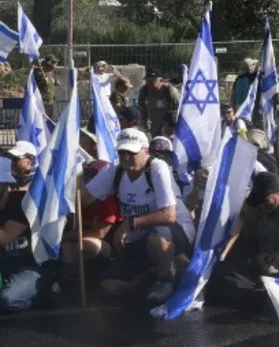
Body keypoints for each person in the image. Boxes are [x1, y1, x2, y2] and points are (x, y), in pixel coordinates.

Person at [81, 128, 195, 304]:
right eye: (122, 152)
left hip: (175, 231)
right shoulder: (115, 169)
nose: (126, 157)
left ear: (145, 151)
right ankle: (160, 269)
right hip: (138, 237)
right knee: (110, 285)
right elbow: (86, 198)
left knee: (157, 238)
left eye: (131, 152)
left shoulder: (157, 167)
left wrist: (129, 224)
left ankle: (164, 280)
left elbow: (168, 215)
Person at [0, 156, 59, 310]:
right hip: (6, 263)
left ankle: (43, 291)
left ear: (5, 183)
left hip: (32, 266)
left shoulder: (23, 203)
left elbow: (4, 238)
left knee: (7, 300)